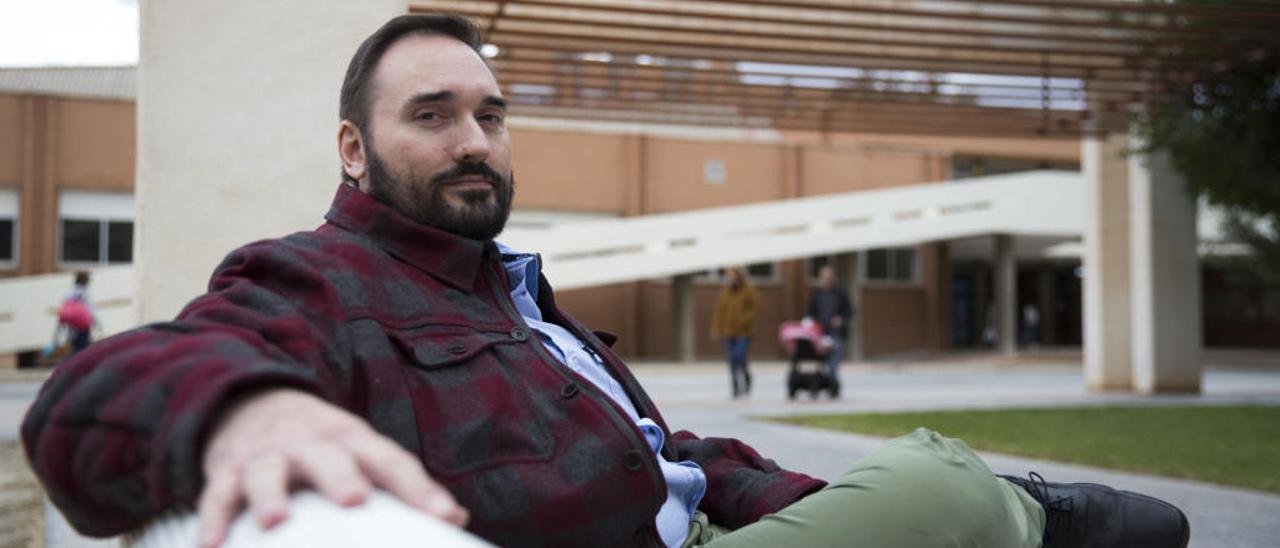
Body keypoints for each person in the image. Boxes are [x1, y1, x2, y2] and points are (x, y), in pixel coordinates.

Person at [22, 14, 1189, 548]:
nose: (475, 139)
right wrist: (249, 407)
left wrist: (801, 497)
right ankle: (1014, 510)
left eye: (490, 112)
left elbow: (671, 457)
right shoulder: (319, 276)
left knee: (911, 467)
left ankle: (1000, 506)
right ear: (353, 149)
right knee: (935, 479)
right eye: (431, 116)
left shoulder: (512, 294)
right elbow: (86, 401)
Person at [710, 266, 758, 398]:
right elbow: (719, 311)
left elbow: (753, 309)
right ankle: (736, 386)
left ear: (738, 276)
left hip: (743, 331)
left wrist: (744, 321)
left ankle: (746, 377)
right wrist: (716, 328)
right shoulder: (725, 291)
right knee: (731, 359)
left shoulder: (748, 290)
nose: (729, 278)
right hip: (728, 331)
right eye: (728, 276)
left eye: (732, 275)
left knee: (739, 357)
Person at [806, 265, 853, 380]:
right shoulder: (816, 294)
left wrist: (840, 319)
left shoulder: (840, 293)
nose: (826, 281)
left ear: (833, 278)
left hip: (836, 332)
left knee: (835, 352)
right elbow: (810, 312)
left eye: (829, 278)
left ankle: (832, 377)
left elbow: (849, 310)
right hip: (820, 331)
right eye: (824, 278)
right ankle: (822, 376)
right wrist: (810, 322)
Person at [47, 270, 98, 358]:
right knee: (83, 350)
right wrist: (96, 323)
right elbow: (90, 310)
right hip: (83, 326)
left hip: (71, 327)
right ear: (86, 281)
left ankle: (73, 365)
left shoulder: (70, 293)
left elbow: (64, 311)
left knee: (76, 347)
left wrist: (58, 333)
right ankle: (74, 367)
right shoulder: (85, 293)